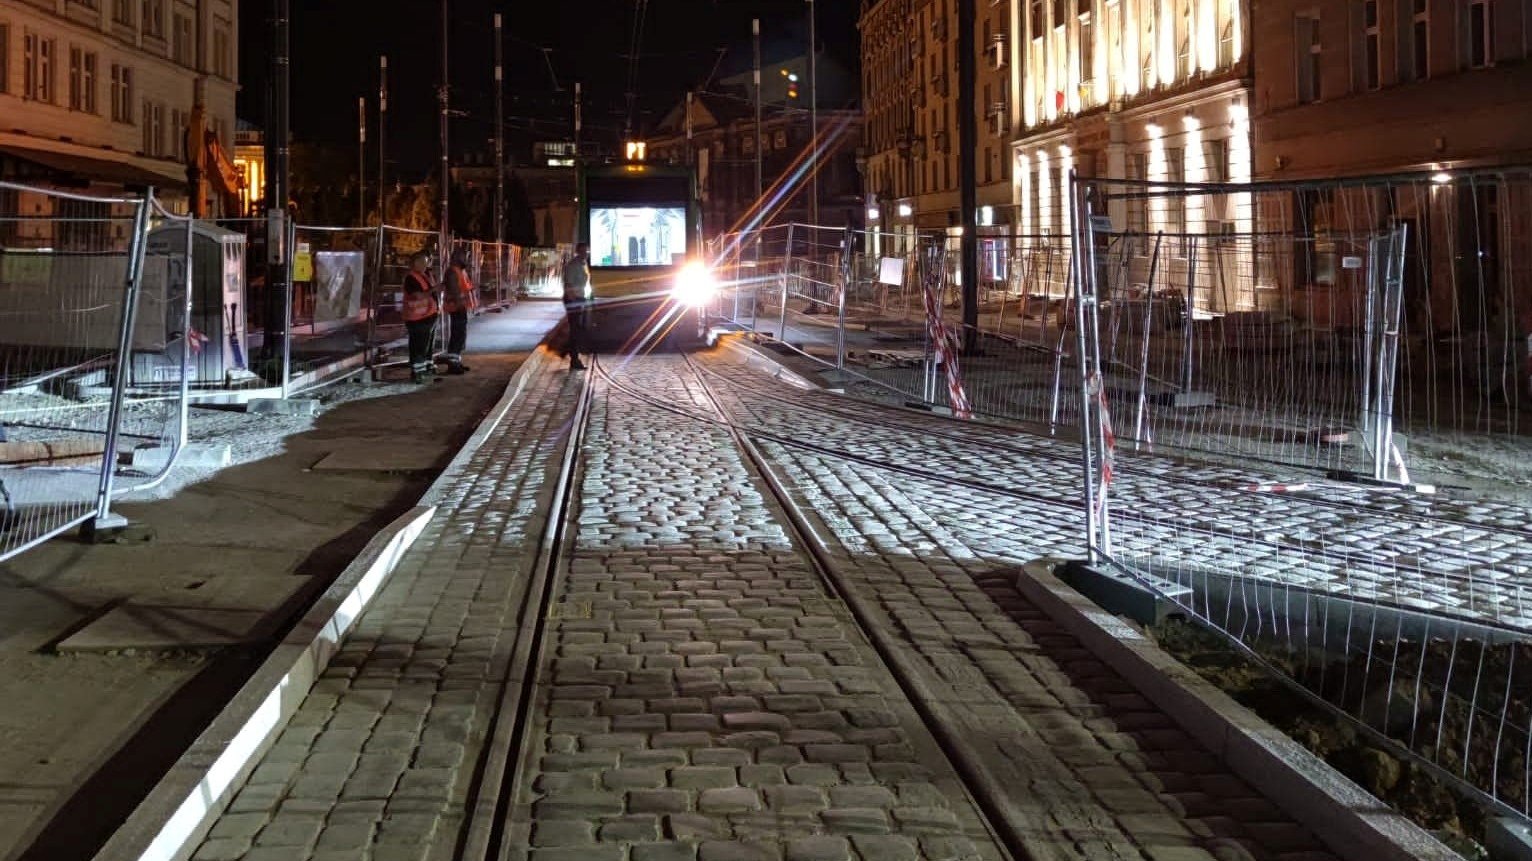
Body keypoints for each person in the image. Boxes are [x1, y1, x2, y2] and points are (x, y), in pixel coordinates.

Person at [401, 253, 440, 383]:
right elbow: (417, 296)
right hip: (417, 318)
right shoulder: (411, 278)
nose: (426, 264)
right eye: (423, 262)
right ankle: (418, 371)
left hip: (427, 316)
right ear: (415, 263)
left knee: (426, 344)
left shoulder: (423, 276)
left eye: (427, 262)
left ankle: (425, 368)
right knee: (419, 345)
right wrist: (434, 289)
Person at [442, 251, 477, 374]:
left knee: (460, 336)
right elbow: (454, 291)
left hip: (461, 307)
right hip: (456, 307)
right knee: (457, 336)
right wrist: (459, 302)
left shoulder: (460, 270)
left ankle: (456, 361)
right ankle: (452, 365)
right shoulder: (452, 271)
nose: (466, 259)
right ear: (457, 258)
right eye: (464, 257)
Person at [561, 244, 592, 370]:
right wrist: (574, 301)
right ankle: (574, 359)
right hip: (573, 300)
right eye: (584, 250)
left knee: (578, 329)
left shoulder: (583, 264)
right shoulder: (573, 265)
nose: (586, 253)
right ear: (578, 251)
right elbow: (568, 284)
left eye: (587, 251)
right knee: (576, 330)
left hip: (580, 299)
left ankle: (566, 350)